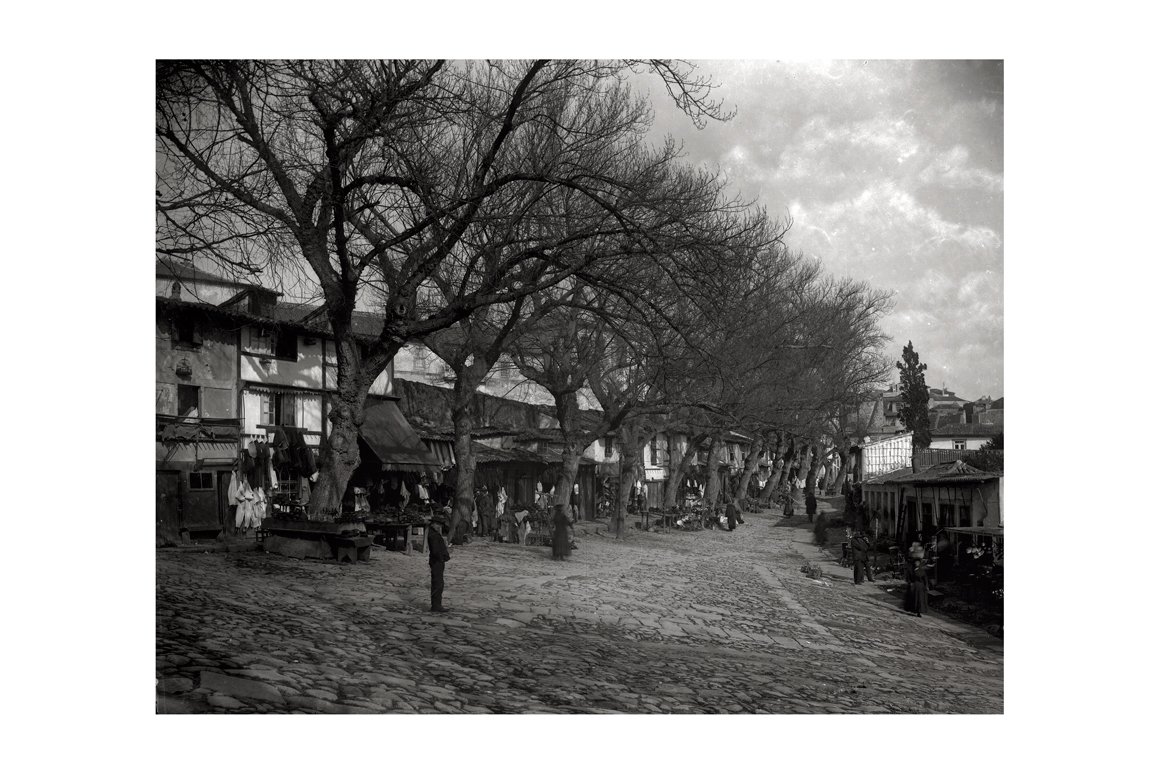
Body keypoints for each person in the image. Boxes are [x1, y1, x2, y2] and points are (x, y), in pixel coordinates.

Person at [427, 512, 452, 613]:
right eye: (438, 524)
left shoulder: (434, 534)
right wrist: (442, 557)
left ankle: (437, 604)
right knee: (438, 583)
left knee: (438, 583)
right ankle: (436, 606)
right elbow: (435, 550)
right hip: (437, 561)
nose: (439, 527)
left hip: (437, 561)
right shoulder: (433, 535)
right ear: (433, 524)